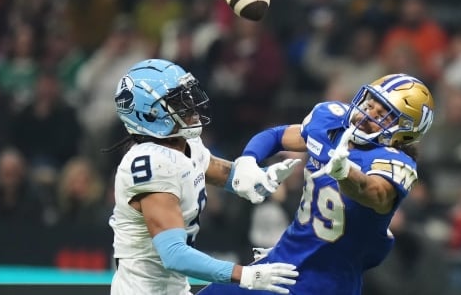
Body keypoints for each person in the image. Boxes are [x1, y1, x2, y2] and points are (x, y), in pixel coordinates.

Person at [198, 73, 435, 295]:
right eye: (370, 104)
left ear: (405, 131)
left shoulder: (395, 162)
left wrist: (345, 173)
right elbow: (278, 136)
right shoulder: (334, 121)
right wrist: (249, 159)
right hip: (284, 259)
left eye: (383, 115)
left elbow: (374, 193)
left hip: (327, 282)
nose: (367, 115)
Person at [108, 59, 301, 295]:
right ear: (149, 114)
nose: (190, 105)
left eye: (187, 95)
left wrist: (258, 177)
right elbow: (174, 254)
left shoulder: (184, 143)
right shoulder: (151, 162)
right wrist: (245, 274)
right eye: (178, 100)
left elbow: (225, 175)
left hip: (174, 288)